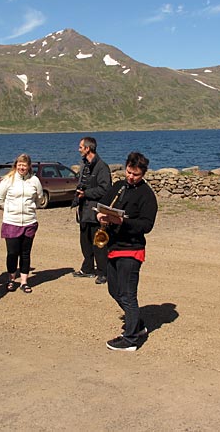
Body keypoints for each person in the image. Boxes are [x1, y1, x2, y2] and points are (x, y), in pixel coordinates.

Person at [96, 152, 157, 352]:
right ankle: (137, 325)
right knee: (114, 290)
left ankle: (130, 340)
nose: (131, 177)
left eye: (136, 174)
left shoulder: (147, 195)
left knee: (128, 295)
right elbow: (102, 206)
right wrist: (101, 217)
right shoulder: (118, 186)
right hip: (113, 246)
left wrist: (123, 221)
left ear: (143, 174)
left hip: (132, 250)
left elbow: (147, 225)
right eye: (129, 172)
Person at [0, 153, 43, 294]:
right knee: (12, 253)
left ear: (29, 166)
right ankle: (11, 279)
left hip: (29, 221)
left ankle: (24, 282)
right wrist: (9, 209)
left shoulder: (34, 180)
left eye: (25, 165)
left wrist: (32, 208)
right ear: (16, 165)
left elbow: (39, 198)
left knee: (25, 253)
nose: (22, 167)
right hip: (11, 222)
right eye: (20, 165)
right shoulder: (8, 180)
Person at [72, 136, 111, 284]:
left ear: (88, 148)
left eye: (81, 147)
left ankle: (103, 272)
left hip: (96, 211)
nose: (79, 149)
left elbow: (105, 189)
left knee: (99, 243)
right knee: (85, 242)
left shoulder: (102, 167)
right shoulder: (84, 165)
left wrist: (86, 193)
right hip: (84, 211)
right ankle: (87, 268)